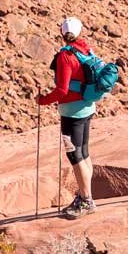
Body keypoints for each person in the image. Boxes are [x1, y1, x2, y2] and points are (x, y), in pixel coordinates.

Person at [36, 16, 100, 218]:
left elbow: (62, 90)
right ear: (80, 32)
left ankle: (86, 200)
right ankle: (85, 196)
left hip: (72, 112)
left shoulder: (65, 56)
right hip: (87, 107)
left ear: (61, 34)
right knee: (84, 152)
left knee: (74, 154)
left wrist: (43, 100)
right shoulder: (86, 50)